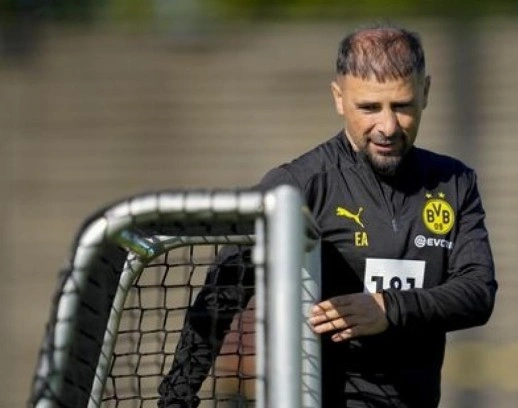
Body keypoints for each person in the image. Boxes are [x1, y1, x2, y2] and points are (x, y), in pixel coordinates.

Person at [158, 23, 498, 408]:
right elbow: (221, 294)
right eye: (369, 108)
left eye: (402, 106)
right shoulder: (297, 186)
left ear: (426, 92)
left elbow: (477, 292)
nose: (387, 126)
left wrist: (388, 308)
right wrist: (175, 398)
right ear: (339, 98)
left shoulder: (454, 182)